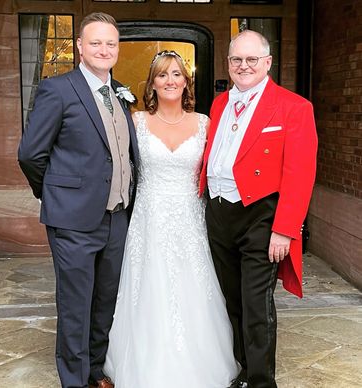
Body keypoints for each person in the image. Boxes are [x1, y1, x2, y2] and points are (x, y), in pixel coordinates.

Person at [103, 50, 241, 387]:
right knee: (148, 288)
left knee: (194, 288)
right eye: (162, 75)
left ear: (186, 81)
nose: (170, 81)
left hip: (191, 222)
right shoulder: (135, 122)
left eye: (177, 74)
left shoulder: (205, 123)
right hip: (148, 221)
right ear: (152, 84)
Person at [18, 12, 139, 388]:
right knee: (75, 305)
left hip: (116, 217)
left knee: (105, 300)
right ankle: (73, 380)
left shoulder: (120, 92)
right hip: (72, 220)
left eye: (111, 43)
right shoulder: (59, 89)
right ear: (80, 47)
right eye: (96, 42)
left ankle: (95, 371)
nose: (104, 49)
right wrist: (55, 194)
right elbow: (30, 154)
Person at [199, 30, 318, 388]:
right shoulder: (219, 103)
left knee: (255, 304)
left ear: (268, 63)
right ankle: (243, 371)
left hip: (261, 215)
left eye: (252, 59)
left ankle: (263, 381)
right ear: (229, 63)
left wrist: (285, 227)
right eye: (237, 59)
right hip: (218, 211)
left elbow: (301, 172)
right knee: (230, 299)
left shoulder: (294, 106)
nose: (243, 66)